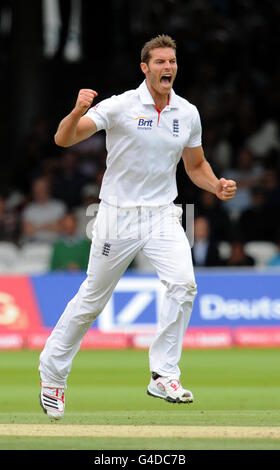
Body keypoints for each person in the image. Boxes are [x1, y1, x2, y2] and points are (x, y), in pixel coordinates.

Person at [39, 34, 237, 419]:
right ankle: (52, 375)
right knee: (91, 301)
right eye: (160, 62)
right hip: (116, 215)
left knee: (184, 284)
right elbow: (63, 139)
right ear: (145, 68)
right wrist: (77, 111)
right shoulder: (120, 106)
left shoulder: (187, 113)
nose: (168, 68)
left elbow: (195, 166)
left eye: (172, 62)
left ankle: (163, 373)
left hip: (163, 214)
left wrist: (215, 184)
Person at [21, 176, 66, 244]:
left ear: (48, 188)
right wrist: (51, 225)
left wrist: (37, 227)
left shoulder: (59, 206)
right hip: (34, 245)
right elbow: (27, 230)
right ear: (34, 190)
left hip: (56, 244)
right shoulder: (28, 209)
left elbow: (60, 228)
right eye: (37, 188)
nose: (40, 190)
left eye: (42, 187)